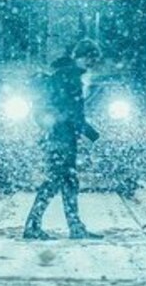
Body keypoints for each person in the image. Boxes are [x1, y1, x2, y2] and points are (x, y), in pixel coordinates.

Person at [23, 39, 103, 240]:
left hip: (62, 136)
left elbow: (68, 110)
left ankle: (74, 227)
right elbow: (70, 111)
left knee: (68, 181)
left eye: (94, 60)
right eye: (89, 58)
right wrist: (90, 133)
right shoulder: (68, 76)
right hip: (61, 137)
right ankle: (33, 226)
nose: (91, 63)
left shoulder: (67, 74)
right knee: (55, 181)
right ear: (79, 57)